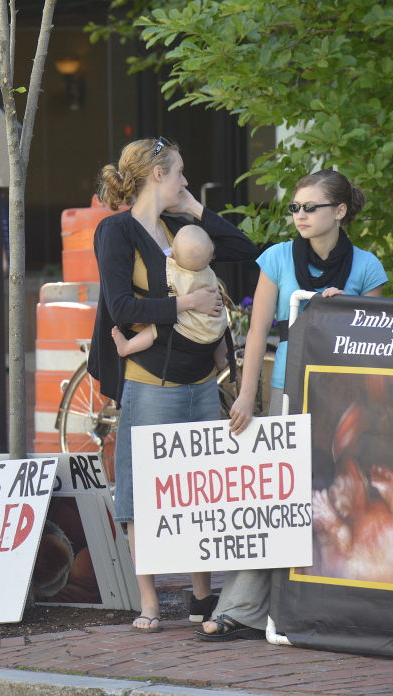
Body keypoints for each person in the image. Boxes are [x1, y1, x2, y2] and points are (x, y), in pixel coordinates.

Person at [199, 169, 385, 641]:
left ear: (339, 212)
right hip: (287, 388)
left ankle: (331, 604)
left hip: (343, 403)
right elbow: (256, 332)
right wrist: (245, 395)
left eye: (310, 207)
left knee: (330, 495)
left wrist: (347, 310)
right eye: (295, 208)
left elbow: (377, 347)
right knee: (273, 497)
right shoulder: (277, 258)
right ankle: (240, 609)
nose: (299, 215)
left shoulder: (367, 267)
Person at [88, 136, 259, 633]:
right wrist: (186, 304)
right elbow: (122, 308)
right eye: (180, 173)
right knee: (144, 493)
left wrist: (196, 207)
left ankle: (203, 596)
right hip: (150, 381)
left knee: (198, 489)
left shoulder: (178, 223)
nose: (186, 180)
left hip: (201, 378)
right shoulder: (116, 231)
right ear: (157, 174)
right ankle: (149, 603)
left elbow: (244, 250)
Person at [111, 224, 229, 372]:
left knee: (157, 329)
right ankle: (221, 361)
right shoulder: (209, 272)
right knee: (220, 324)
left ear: (171, 253)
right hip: (211, 333)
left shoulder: (173, 274)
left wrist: (141, 318)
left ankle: (128, 347)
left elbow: (164, 304)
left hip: (189, 333)